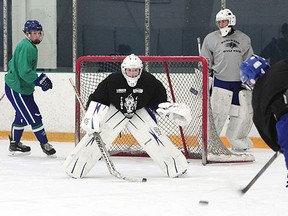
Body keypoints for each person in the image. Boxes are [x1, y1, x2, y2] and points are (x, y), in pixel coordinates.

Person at [63, 54, 191, 178]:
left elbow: (158, 101)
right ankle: (75, 167)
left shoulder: (150, 81)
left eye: (135, 70)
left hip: (139, 112)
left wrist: (167, 109)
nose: (132, 73)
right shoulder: (113, 80)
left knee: (154, 138)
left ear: (140, 70)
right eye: (129, 70)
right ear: (123, 70)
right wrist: (92, 117)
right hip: (115, 111)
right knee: (97, 137)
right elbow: (98, 98)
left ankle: (177, 166)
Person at [200, 8, 254, 152]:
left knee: (242, 115)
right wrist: (203, 78)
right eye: (219, 22)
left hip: (240, 84)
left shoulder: (244, 38)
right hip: (221, 82)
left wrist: (251, 79)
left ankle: (237, 139)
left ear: (231, 21)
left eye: (224, 21)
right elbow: (205, 62)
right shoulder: (210, 39)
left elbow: (249, 62)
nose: (221, 24)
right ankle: (211, 142)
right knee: (218, 114)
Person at [4, 20, 55, 156]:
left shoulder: (28, 45)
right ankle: (45, 144)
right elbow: (24, 71)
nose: (37, 36)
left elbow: (13, 64)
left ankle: (14, 144)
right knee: (35, 116)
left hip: (21, 87)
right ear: (27, 34)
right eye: (34, 33)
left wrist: (34, 80)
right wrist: (38, 80)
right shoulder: (27, 47)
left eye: (39, 33)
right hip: (18, 89)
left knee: (21, 116)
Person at [240, 54, 288, 185]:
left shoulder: (259, 92)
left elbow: (262, 122)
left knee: (285, 137)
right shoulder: (281, 66)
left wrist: (277, 145)